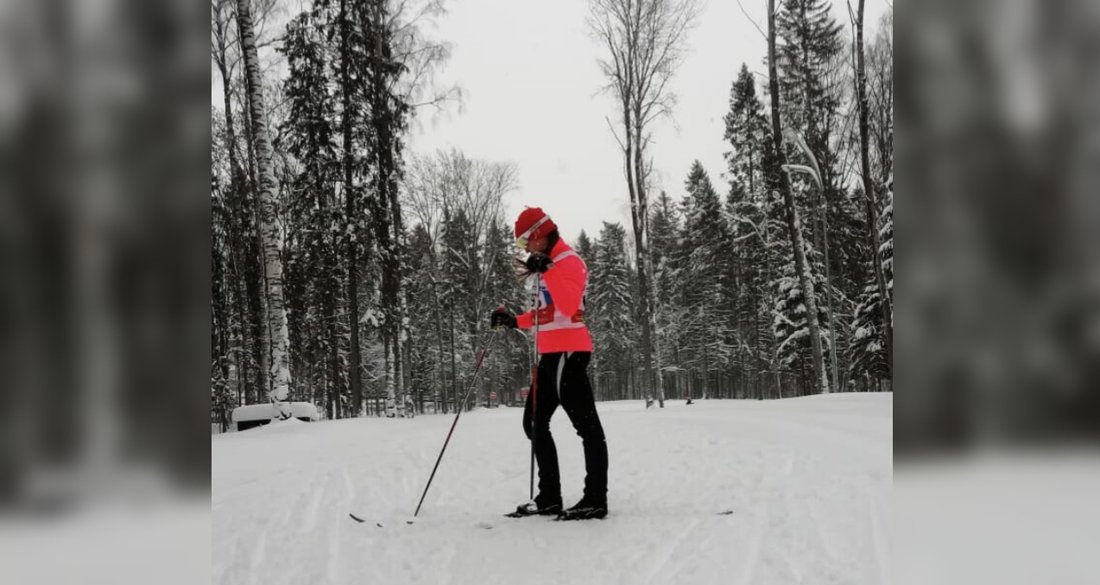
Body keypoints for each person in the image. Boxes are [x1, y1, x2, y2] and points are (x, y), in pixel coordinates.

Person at [490, 207, 609, 521]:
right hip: (552, 354)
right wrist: (513, 321)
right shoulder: (547, 268)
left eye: (525, 241)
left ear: (540, 234)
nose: (525, 249)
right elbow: (545, 316)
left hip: (569, 352)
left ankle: (595, 498)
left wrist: (549, 270)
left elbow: (569, 307)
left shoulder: (569, 262)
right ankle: (549, 498)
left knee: (587, 428)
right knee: (533, 422)